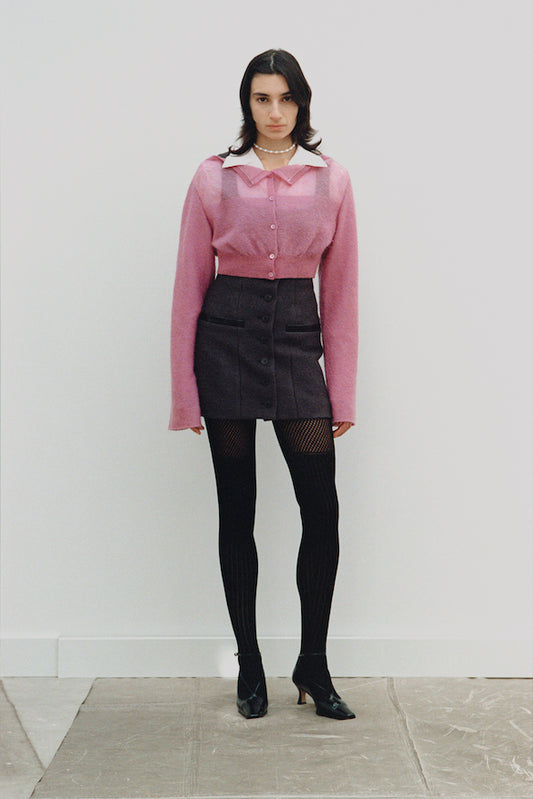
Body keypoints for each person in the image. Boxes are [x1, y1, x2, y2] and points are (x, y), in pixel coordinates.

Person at [169, 49, 358, 720]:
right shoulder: (213, 178)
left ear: (301, 102)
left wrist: (342, 389)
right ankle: (249, 664)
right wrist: (184, 392)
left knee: (322, 512)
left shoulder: (330, 180)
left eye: (285, 98)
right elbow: (188, 286)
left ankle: (313, 663)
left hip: (296, 345)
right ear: (246, 103)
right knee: (237, 510)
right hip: (224, 344)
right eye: (261, 98)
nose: (275, 112)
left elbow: (341, 292)